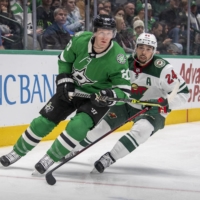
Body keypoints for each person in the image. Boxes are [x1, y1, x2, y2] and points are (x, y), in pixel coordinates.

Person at [0, 14, 131, 175]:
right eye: (102, 32)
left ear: (114, 34)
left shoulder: (118, 57)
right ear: (95, 31)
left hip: (96, 99)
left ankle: (50, 157)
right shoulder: (79, 40)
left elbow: (123, 92)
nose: (105, 37)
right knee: (43, 122)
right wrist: (64, 78)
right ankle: (16, 152)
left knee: (78, 126)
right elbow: (64, 60)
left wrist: (108, 94)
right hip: (72, 89)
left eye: (109, 33)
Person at [66, 32, 190, 173]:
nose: (144, 52)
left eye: (149, 49)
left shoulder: (163, 69)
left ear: (154, 51)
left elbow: (183, 93)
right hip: (126, 104)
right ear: (135, 47)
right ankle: (73, 150)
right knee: (100, 127)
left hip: (153, 109)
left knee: (142, 130)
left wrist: (165, 103)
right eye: (141, 47)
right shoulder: (124, 63)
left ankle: (110, 157)